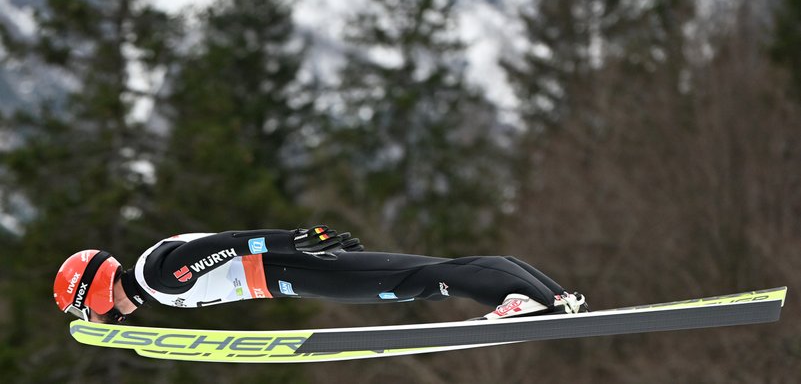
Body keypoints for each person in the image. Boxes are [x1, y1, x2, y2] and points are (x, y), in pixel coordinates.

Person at [53, 226, 587, 324]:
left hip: (289, 271)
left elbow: (227, 245)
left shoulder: (159, 278)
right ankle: (552, 296)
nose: (101, 319)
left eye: (90, 312)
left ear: (93, 294)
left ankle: (523, 299)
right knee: (423, 274)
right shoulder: (155, 273)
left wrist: (293, 242)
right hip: (292, 268)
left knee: (417, 282)